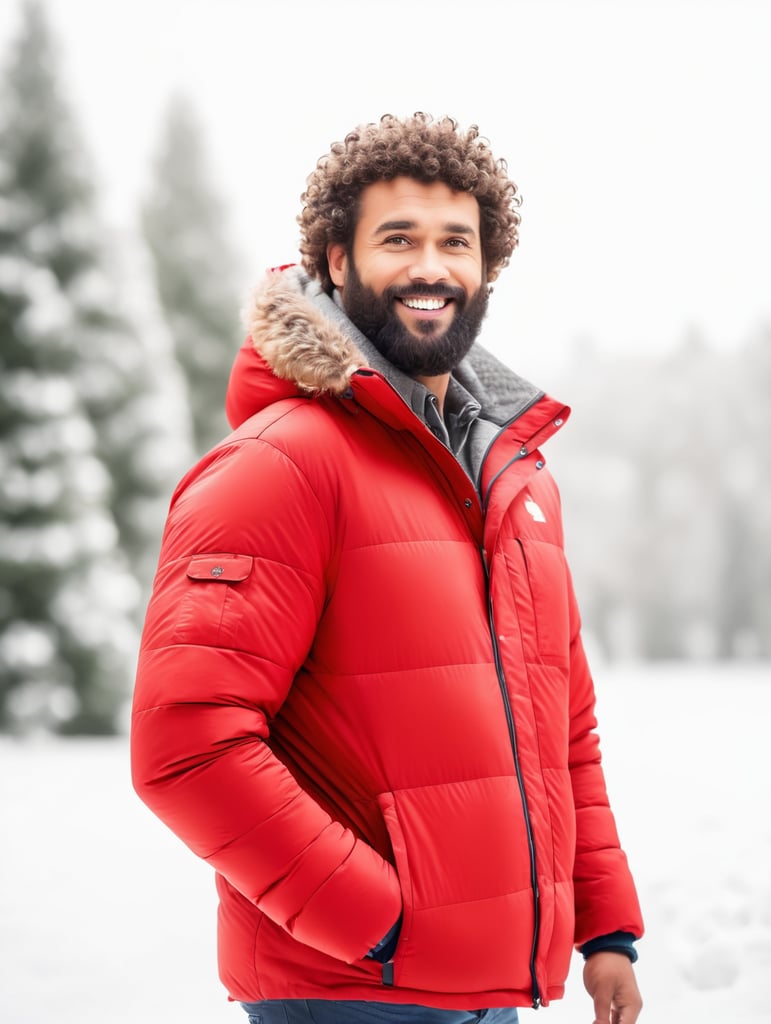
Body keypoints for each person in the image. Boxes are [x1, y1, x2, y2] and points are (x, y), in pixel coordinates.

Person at [131, 112, 644, 1024]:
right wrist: (381, 924)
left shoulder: (516, 482)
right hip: (350, 990)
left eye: (456, 242)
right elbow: (187, 744)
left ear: (486, 268)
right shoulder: (279, 464)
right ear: (335, 260)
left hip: (486, 987)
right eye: (396, 238)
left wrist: (602, 929)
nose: (430, 267)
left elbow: (564, 730)